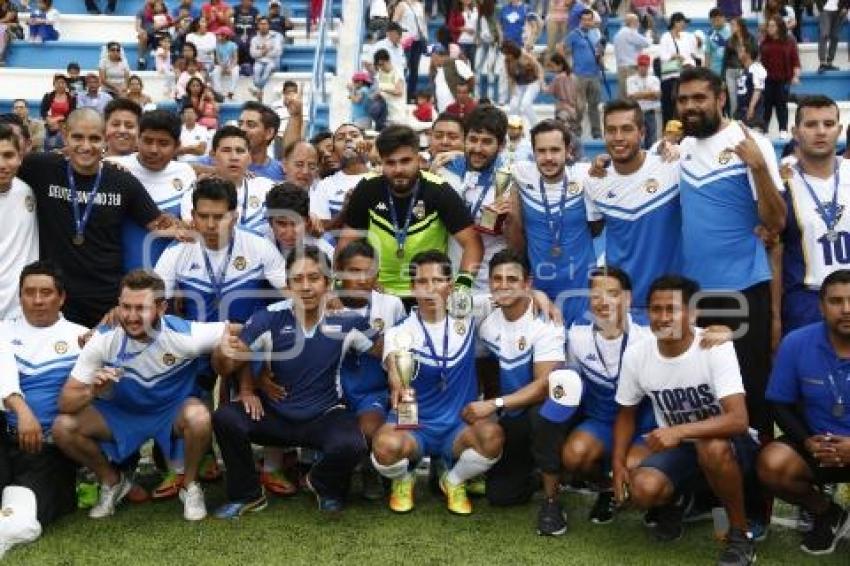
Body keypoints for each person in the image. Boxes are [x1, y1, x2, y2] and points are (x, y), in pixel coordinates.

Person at [211, 246, 378, 516]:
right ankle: (247, 495)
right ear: (288, 285)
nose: (306, 287)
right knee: (225, 418)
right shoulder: (269, 318)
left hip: (324, 414)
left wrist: (402, 354)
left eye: (314, 278)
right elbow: (226, 364)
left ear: (328, 283)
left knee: (353, 443)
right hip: (274, 413)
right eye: (297, 280)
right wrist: (222, 352)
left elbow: (385, 351)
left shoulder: (349, 322)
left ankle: (323, 485)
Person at [52, 270, 230, 521]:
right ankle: (112, 481)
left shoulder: (186, 335)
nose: (131, 316)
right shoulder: (103, 339)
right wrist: (93, 390)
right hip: (123, 415)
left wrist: (246, 382)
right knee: (63, 427)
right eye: (125, 307)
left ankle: (189, 486)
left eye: (141, 308)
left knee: (199, 416)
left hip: (171, 413)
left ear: (161, 307)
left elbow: (242, 333)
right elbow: (65, 402)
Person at [613, 275, 759, 565]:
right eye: (656, 309)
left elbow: (738, 420)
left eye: (673, 309)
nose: (663, 317)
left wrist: (679, 431)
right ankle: (677, 501)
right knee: (640, 486)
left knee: (711, 447)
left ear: (692, 313)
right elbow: (626, 413)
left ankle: (740, 534)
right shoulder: (637, 355)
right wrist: (617, 464)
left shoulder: (714, 346)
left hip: (729, 443)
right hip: (679, 448)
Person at [676, 67, 785, 438]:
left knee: (750, 390)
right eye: (683, 100)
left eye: (699, 98)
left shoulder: (752, 143)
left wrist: (758, 168)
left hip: (742, 288)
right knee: (704, 393)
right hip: (694, 295)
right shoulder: (682, 149)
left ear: (721, 98)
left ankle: (758, 492)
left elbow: (776, 222)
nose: (690, 107)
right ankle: (709, 489)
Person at [15, 108, 180, 330]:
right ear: (65, 135)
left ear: (105, 138)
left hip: (106, 298)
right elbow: (7, 162)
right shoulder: (40, 167)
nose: (86, 146)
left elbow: (160, 223)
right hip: (57, 296)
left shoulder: (123, 181)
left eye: (94, 138)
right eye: (78, 137)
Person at [371, 250, 504, 515]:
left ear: (451, 285)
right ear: (412, 287)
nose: (430, 289)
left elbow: (511, 296)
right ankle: (403, 479)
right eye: (422, 282)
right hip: (413, 425)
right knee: (384, 448)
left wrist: (540, 296)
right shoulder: (401, 330)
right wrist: (396, 377)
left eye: (437, 281)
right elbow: (394, 359)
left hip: (458, 424)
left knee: (493, 437)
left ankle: (453, 480)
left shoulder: (468, 315)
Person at [469, 249, 577, 534]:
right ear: (490, 284)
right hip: (511, 414)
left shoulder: (545, 322)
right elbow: (443, 302)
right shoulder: (487, 315)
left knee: (542, 417)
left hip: (546, 409)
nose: (504, 285)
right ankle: (533, 472)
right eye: (497, 279)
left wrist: (494, 403)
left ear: (527, 284)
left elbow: (544, 386)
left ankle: (553, 501)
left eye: (512, 279)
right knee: (501, 497)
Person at [757, 269, 850, 556]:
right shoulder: (796, 342)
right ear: (821, 307)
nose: (846, 309)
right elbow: (778, 402)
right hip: (818, 447)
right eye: (836, 301)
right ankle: (826, 512)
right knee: (772, 464)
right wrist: (807, 440)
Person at [337, 125, 483, 306]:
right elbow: (346, 243)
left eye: (405, 161)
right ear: (381, 162)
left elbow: (473, 243)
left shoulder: (439, 190)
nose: (398, 169)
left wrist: (461, 288)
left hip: (428, 292)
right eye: (390, 163)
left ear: (418, 159)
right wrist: (339, 285)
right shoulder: (368, 188)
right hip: (379, 293)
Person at [562, 266, 660, 524]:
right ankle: (606, 488)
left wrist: (720, 332)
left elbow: (691, 338)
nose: (603, 302)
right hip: (602, 422)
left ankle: (668, 502)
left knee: (636, 470)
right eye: (596, 295)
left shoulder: (650, 334)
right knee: (574, 455)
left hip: (644, 424)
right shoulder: (577, 334)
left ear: (627, 298)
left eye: (612, 294)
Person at [0, 262, 84, 563]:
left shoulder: (81, 337)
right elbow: (3, 375)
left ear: (61, 298)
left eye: (46, 293)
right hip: (5, 437)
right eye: (29, 293)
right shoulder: (3, 331)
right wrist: (23, 412)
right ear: (19, 296)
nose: (37, 300)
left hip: (47, 450)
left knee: (24, 521)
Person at [583, 99, 681, 316]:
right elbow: (593, 231)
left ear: (642, 133)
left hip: (668, 304)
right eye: (611, 130)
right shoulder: (593, 181)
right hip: (621, 307)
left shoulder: (671, 167)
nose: (618, 137)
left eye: (627, 129)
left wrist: (677, 149)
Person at [505, 119, 596, 325]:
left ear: (568, 150)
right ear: (533, 152)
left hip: (581, 290)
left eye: (555, 150)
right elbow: (483, 158)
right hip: (539, 291)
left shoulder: (585, 175)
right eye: (541, 151)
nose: (548, 158)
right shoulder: (520, 173)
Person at [335, 240, 405, 499]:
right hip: (332, 389)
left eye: (369, 272)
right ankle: (329, 469)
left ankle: (368, 469)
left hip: (371, 390)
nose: (362, 279)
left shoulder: (391, 305)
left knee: (369, 429)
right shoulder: (324, 304)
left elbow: (400, 349)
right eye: (354, 271)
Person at [780, 95, 850, 333]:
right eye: (811, 125)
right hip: (806, 303)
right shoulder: (781, 184)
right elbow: (773, 249)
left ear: (839, 130)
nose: (821, 132)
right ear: (795, 132)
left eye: (828, 124)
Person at [107, 110, 197, 271]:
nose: (153, 150)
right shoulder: (113, 167)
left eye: (163, 143)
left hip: (169, 280)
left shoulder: (186, 173)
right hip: (122, 280)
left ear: (177, 146)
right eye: (147, 141)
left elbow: (191, 227)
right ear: (137, 140)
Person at [437, 104, 509, 290]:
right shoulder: (445, 169)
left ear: (501, 145)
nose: (477, 148)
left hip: (491, 284)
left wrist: (511, 221)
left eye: (486, 141)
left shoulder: (510, 178)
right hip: (449, 279)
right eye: (473, 139)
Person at [181, 126, 275, 237]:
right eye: (226, 150)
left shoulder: (268, 189)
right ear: (213, 156)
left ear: (249, 157)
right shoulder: (194, 195)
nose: (234, 157)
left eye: (240, 151)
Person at [0, 125, 37, 320]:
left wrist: (110, 163)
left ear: (20, 157)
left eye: (8, 155)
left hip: (23, 312)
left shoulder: (29, 191)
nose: (2, 164)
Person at [310, 123, 371, 235]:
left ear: (365, 143)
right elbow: (322, 230)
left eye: (354, 135)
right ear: (335, 150)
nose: (348, 139)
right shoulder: (325, 185)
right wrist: (345, 210)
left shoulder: (381, 177)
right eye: (340, 138)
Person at [561, 9, 604, 139]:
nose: (586, 22)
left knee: (594, 106)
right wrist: (567, 68)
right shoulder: (574, 34)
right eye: (584, 19)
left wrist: (600, 59)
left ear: (592, 20)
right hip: (579, 75)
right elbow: (562, 49)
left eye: (588, 19)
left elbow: (599, 50)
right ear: (580, 21)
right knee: (579, 107)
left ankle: (596, 133)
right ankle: (575, 132)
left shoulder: (596, 33)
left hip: (595, 74)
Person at [759, 16, 800, 140]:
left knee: (781, 105)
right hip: (767, 79)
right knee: (766, 105)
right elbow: (760, 61)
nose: (769, 28)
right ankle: (764, 130)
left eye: (772, 26)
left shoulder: (789, 41)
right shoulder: (764, 42)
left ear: (779, 27)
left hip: (783, 79)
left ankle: (783, 129)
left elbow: (795, 60)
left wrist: (795, 76)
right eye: (769, 26)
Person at [658, 12, 698, 127]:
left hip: (681, 75)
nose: (684, 25)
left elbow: (689, 55)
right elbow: (662, 56)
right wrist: (673, 56)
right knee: (669, 108)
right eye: (682, 22)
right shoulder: (666, 37)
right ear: (675, 22)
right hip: (670, 76)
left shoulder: (685, 38)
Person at [501, 40, 543, 130]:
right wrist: (512, 92)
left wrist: (541, 81)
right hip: (519, 84)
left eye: (507, 53)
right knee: (513, 105)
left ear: (512, 51)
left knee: (525, 104)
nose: (506, 56)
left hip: (533, 83)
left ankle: (537, 126)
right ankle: (516, 127)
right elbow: (510, 77)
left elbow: (538, 66)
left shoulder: (524, 55)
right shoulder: (507, 61)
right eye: (505, 54)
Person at [392, 0, 427, 103]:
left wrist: (425, 37)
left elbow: (423, 23)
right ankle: (399, 94)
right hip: (405, 42)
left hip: (417, 41)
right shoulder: (402, 5)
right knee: (403, 69)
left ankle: (410, 95)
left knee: (414, 70)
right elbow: (394, 23)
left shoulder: (420, 5)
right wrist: (400, 37)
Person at [723, 17, 757, 120]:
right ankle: (734, 121)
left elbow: (755, 53)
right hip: (731, 71)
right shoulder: (729, 40)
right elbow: (725, 59)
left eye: (733, 25)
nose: (731, 27)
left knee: (744, 98)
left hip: (745, 71)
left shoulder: (751, 38)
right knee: (733, 100)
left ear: (740, 26)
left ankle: (746, 120)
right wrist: (723, 77)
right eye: (731, 25)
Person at [625, 53, 661, 149]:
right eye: (641, 65)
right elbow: (631, 96)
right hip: (637, 112)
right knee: (636, 138)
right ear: (638, 66)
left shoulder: (654, 79)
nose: (643, 67)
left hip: (650, 112)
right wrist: (649, 94)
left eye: (645, 65)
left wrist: (640, 95)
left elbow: (657, 95)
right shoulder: (630, 80)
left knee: (652, 139)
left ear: (648, 66)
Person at [429, 44, 475, 114]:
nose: (432, 60)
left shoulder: (456, 63)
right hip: (442, 110)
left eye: (433, 57)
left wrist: (466, 94)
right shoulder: (436, 71)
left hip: (456, 108)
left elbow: (471, 78)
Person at [613, 13, 651, 98]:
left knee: (623, 95)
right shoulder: (630, 32)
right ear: (633, 22)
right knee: (633, 95)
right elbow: (647, 43)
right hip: (631, 67)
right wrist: (648, 32)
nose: (639, 24)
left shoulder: (617, 34)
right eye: (637, 21)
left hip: (620, 67)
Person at [249, 17, 283, 102]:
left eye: (265, 24)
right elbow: (252, 54)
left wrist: (262, 52)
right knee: (256, 75)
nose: (263, 26)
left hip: (272, 61)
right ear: (258, 25)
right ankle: (259, 92)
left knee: (267, 71)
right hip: (259, 61)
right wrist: (265, 51)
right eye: (261, 24)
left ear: (269, 25)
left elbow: (277, 52)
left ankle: (258, 92)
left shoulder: (275, 37)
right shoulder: (254, 39)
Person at [39, 74, 76, 152]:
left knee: (61, 140)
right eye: (58, 83)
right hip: (51, 124)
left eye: (63, 83)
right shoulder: (48, 96)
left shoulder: (72, 98)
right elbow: (43, 111)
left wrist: (58, 120)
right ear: (54, 84)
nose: (60, 85)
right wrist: (49, 120)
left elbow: (72, 113)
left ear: (66, 85)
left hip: (65, 125)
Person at [735, 42, 766, 124]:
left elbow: (758, 90)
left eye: (741, 50)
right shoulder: (743, 69)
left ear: (748, 54)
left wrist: (751, 107)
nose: (738, 52)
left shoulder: (757, 68)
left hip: (752, 111)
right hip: (740, 109)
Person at [374, 48, 408, 126]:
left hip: (397, 115)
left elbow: (399, 92)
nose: (381, 67)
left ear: (388, 60)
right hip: (384, 114)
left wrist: (383, 89)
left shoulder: (397, 72)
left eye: (382, 64)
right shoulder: (380, 74)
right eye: (379, 65)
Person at [817, 0, 847, 73]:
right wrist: (820, 7)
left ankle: (830, 62)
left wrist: (846, 7)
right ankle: (822, 63)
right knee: (824, 35)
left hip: (839, 10)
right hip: (825, 9)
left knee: (835, 37)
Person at [706, 8, 731, 79]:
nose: (715, 23)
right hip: (715, 72)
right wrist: (706, 73)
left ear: (724, 18)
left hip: (730, 70)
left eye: (718, 20)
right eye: (713, 21)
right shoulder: (710, 35)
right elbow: (707, 54)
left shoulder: (732, 30)